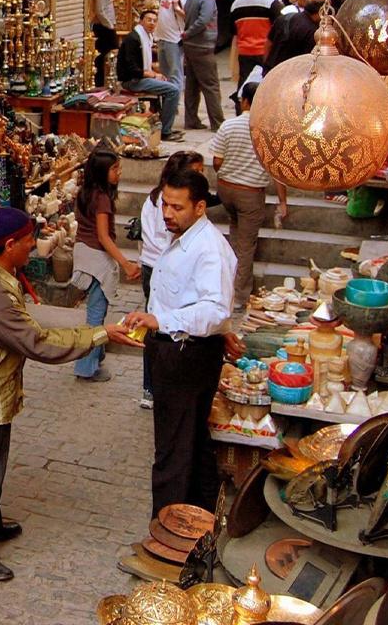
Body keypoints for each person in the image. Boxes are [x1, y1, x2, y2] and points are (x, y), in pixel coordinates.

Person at [0, 206, 142, 581]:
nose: (34, 246)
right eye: (29, 240)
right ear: (9, 245)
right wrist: (101, 333)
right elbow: (41, 343)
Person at [125, 168, 242, 516]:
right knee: (192, 444)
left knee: (173, 454)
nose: (167, 213)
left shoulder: (208, 248)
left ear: (200, 207)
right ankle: (203, 520)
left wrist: (161, 320)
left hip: (186, 355)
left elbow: (215, 309)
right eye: (165, 204)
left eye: (177, 207)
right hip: (173, 350)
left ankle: (165, 531)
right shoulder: (183, 236)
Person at [137, 150, 206, 409]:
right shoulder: (159, 202)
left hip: (160, 265)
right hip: (157, 266)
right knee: (157, 327)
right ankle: (152, 387)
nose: (169, 212)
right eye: (196, 172)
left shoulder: (206, 241)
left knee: (162, 324)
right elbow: (159, 238)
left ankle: (160, 386)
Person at [211, 83, 289, 307]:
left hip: (226, 189)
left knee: (235, 235)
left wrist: (229, 172)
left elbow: (217, 161)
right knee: (245, 247)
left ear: (244, 101)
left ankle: (226, 286)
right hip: (250, 195)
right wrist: (282, 201)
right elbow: (277, 172)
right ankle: (238, 296)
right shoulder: (271, 131)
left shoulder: (228, 126)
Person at [73, 148, 142, 382]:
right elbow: (103, 236)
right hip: (96, 259)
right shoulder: (102, 198)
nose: (119, 173)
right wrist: (125, 263)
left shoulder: (86, 193)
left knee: (95, 311)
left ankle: (97, 355)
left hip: (84, 253)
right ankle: (86, 367)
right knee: (96, 315)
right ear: (102, 172)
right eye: (114, 169)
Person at [117, 8, 184, 142]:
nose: (152, 23)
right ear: (141, 21)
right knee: (173, 90)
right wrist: (153, 76)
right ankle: (165, 131)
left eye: (154, 21)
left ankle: (160, 126)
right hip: (132, 80)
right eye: (149, 20)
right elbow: (132, 69)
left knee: (169, 84)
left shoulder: (147, 37)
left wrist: (155, 74)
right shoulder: (133, 39)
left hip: (140, 77)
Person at [181, 0, 225, 132]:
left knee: (192, 84)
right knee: (210, 85)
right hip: (202, 45)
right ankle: (217, 122)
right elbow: (203, 20)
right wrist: (189, 32)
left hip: (191, 45)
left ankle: (191, 118)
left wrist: (188, 34)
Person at [229, 0, 283, 89]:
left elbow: (233, 30)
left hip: (245, 51)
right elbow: (280, 24)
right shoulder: (270, 1)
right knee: (267, 84)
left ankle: (243, 101)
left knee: (244, 84)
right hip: (265, 50)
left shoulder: (236, 5)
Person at [264, 0, 326, 74]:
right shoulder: (313, 31)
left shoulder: (283, 18)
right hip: (290, 75)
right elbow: (308, 61)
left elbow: (268, 44)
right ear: (322, 11)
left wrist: (266, 66)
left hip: (271, 71)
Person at [156, 0, 188, 88]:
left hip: (175, 40)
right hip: (162, 39)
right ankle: (167, 96)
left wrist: (177, 9)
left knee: (175, 71)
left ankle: (176, 97)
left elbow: (190, 16)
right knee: (164, 73)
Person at [90, 0, 119, 88]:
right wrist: (110, 26)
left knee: (102, 55)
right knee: (103, 55)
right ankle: (101, 82)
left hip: (102, 26)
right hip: (103, 28)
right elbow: (100, 11)